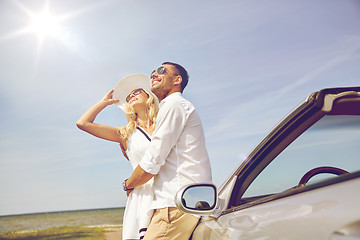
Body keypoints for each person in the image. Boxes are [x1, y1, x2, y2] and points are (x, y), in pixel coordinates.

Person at [124, 62, 213, 240]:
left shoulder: (174, 105)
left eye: (161, 71)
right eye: (152, 72)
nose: (154, 75)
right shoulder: (174, 106)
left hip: (175, 203)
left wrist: (128, 184)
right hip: (182, 201)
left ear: (177, 80)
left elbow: (152, 161)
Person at [76, 73, 159, 240]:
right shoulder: (124, 133)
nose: (132, 96)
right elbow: (83, 123)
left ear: (149, 95)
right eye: (128, 97)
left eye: (137, 92)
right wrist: (104, 103)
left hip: (168, 191)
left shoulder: (164, 124)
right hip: (142, 195)